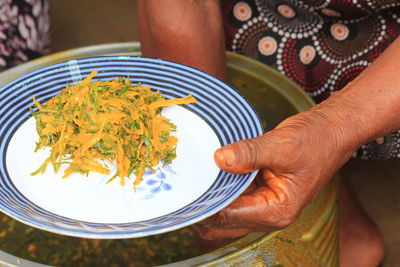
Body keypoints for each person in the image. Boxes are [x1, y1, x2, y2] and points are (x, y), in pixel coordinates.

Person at [137, 0, 400, 266]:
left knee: (319, 142)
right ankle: (334, 213)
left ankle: (329, 204)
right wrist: (213, 161)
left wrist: (336, 128)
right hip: (269, 16)